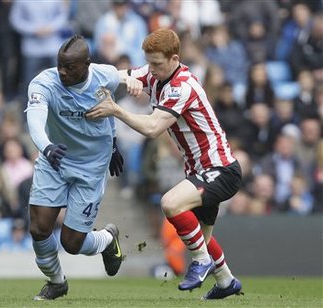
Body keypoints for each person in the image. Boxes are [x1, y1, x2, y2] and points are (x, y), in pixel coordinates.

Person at [86, 28, 243, 300]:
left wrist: (117, 109)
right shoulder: (155, 73)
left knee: (170, 203)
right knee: (202, 239)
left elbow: (152, 128)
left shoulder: (182, 86)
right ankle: (226, 281)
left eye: (157, 63)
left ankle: (201, 263)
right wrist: (121, 78)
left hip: (220, 170)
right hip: (200, 171)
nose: (152, 69)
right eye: (149, 63)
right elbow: (121, 74)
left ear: (174, 58)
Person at [25, 34, 142, 301]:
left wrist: (113, 144)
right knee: (39, 228)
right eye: (60, 65)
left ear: (87, 64)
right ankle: (56, 282)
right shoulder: (44, 83)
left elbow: (121, 77)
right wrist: (46, 147)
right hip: (54, 158)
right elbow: (35, 120)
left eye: (70, 67)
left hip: (91, 166)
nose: (63, 72)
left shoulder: (103, 76)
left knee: (72, 243)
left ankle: (106, 240)